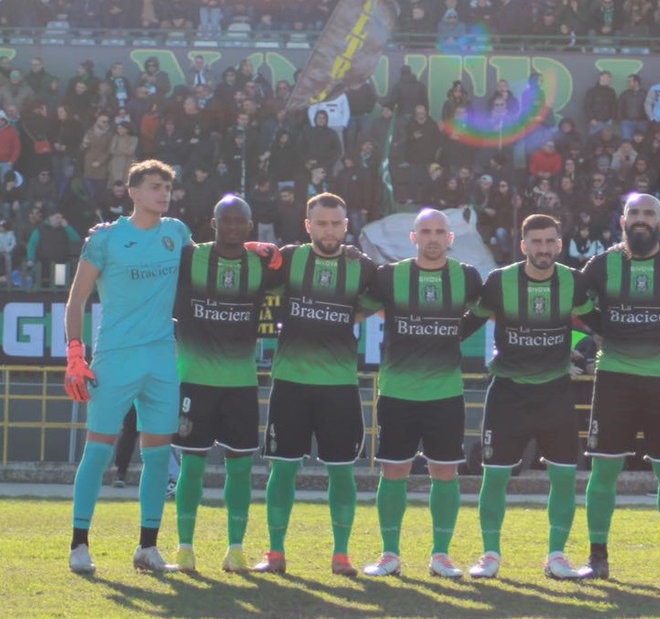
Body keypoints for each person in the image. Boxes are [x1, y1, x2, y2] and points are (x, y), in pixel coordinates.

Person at [577, 193, 660, 582]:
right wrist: (604, 328)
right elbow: (574, 303)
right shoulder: (601, 265)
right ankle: (597, 556)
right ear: (622, 219)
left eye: (648, 214)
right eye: (634, 213)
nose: (641, 219)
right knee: (604, 470)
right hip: (614, 379)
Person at [64, 160, 190, 574]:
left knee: (157, 456)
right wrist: (75, 355)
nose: (163, 194)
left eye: (167, 188)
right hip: (115, 357)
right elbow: (76, 300)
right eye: (155, 187)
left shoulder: (177, 233)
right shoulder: (105, 239)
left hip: (162, 356)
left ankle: (147, 549)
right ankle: (79, 545)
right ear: (132, 192)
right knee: (98, 450)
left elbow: (209, 264)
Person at [460, 214, 595, 580]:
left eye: (550, 241)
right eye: (536, 242)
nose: (543, 248)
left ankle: (557, 556)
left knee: (565, 478)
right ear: (523, 246)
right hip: (508, 394)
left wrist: (589, 352)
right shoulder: (499, 282)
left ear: (559, 245)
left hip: (555, 394)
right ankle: (490, 554)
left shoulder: (572, 281)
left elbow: (597, 325)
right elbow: (465, 326)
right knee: (495, 477)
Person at [253, 193, 378, 576]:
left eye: (336, 223)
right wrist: (254, 248)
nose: (329, 230)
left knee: (341, 471)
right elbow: (245, 267)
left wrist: (350, 318)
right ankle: (275, 553)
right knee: (283, 469)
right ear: (308, 226)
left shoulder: (364, 268)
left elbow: (378, 298)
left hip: (339, 385)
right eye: (321, 223)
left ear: (346, 225)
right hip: (290, 382)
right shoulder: (290, 258)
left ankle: (341, 554)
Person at [360, 208, 482, 579]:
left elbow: (487, 310)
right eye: (425, 231)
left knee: (444, 472)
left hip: (445, 392)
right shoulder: (389, 277)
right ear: (413, 238)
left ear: (450, 238)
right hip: (398, 391)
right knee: (394, 470)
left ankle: (441, 555)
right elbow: (362, 310)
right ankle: (389, 554)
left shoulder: (467, 277)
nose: (432, 238)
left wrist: (455, 333)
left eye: (439, 231)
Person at [170, 195, 285, 573]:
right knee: (192, 466)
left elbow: (302, 260)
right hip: (195, 381)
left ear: (250, 227)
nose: (234, 226)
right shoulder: (189, 258)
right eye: (227, 220)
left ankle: (235, 550)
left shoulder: (262, 266)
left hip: (240, 384)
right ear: (213, 222)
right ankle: (184, 548)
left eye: (241, 221)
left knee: (240, 468)